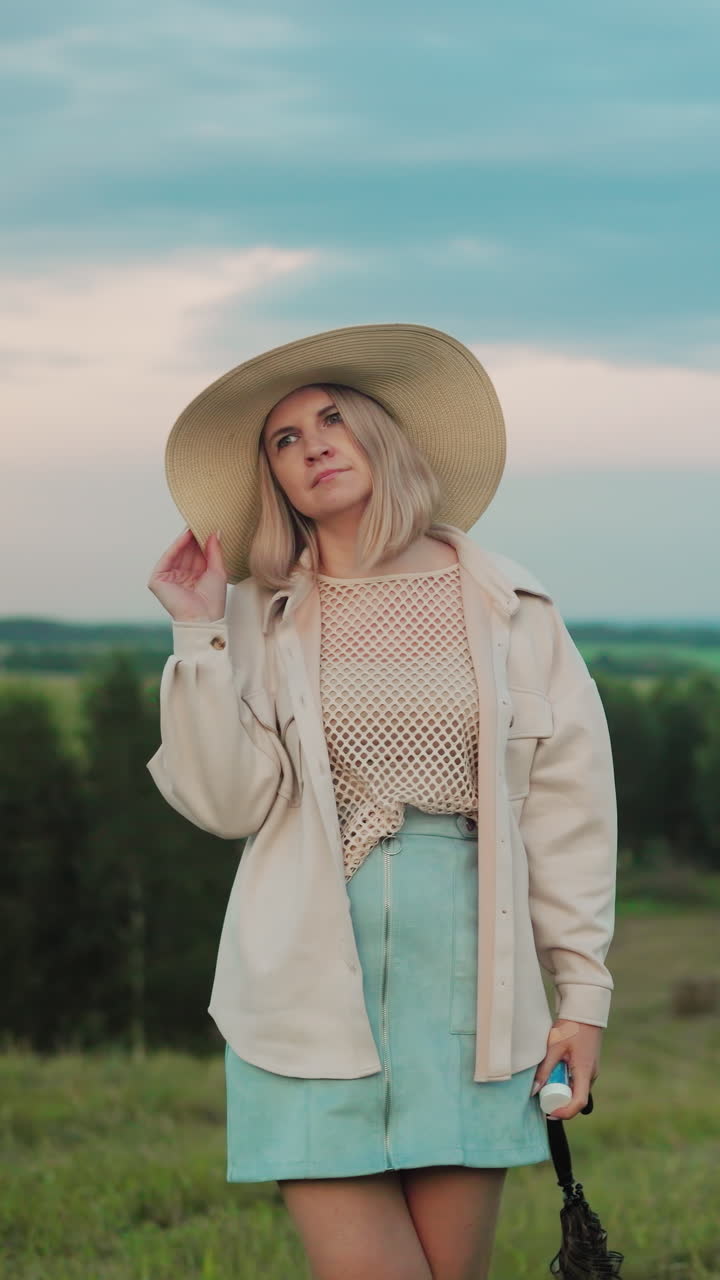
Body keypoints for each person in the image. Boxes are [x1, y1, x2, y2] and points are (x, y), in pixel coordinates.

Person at [146, 323, 617, 1280]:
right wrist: (196, 636)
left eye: (332, 419)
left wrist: (584, 994)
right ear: (273, 478)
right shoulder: (260, 619)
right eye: (284, 439)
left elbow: (567, 811)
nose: (313, 443)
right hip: (304, 986)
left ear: (380, 436)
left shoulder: (512, 607)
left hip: (471, 992)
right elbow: (228, 803)